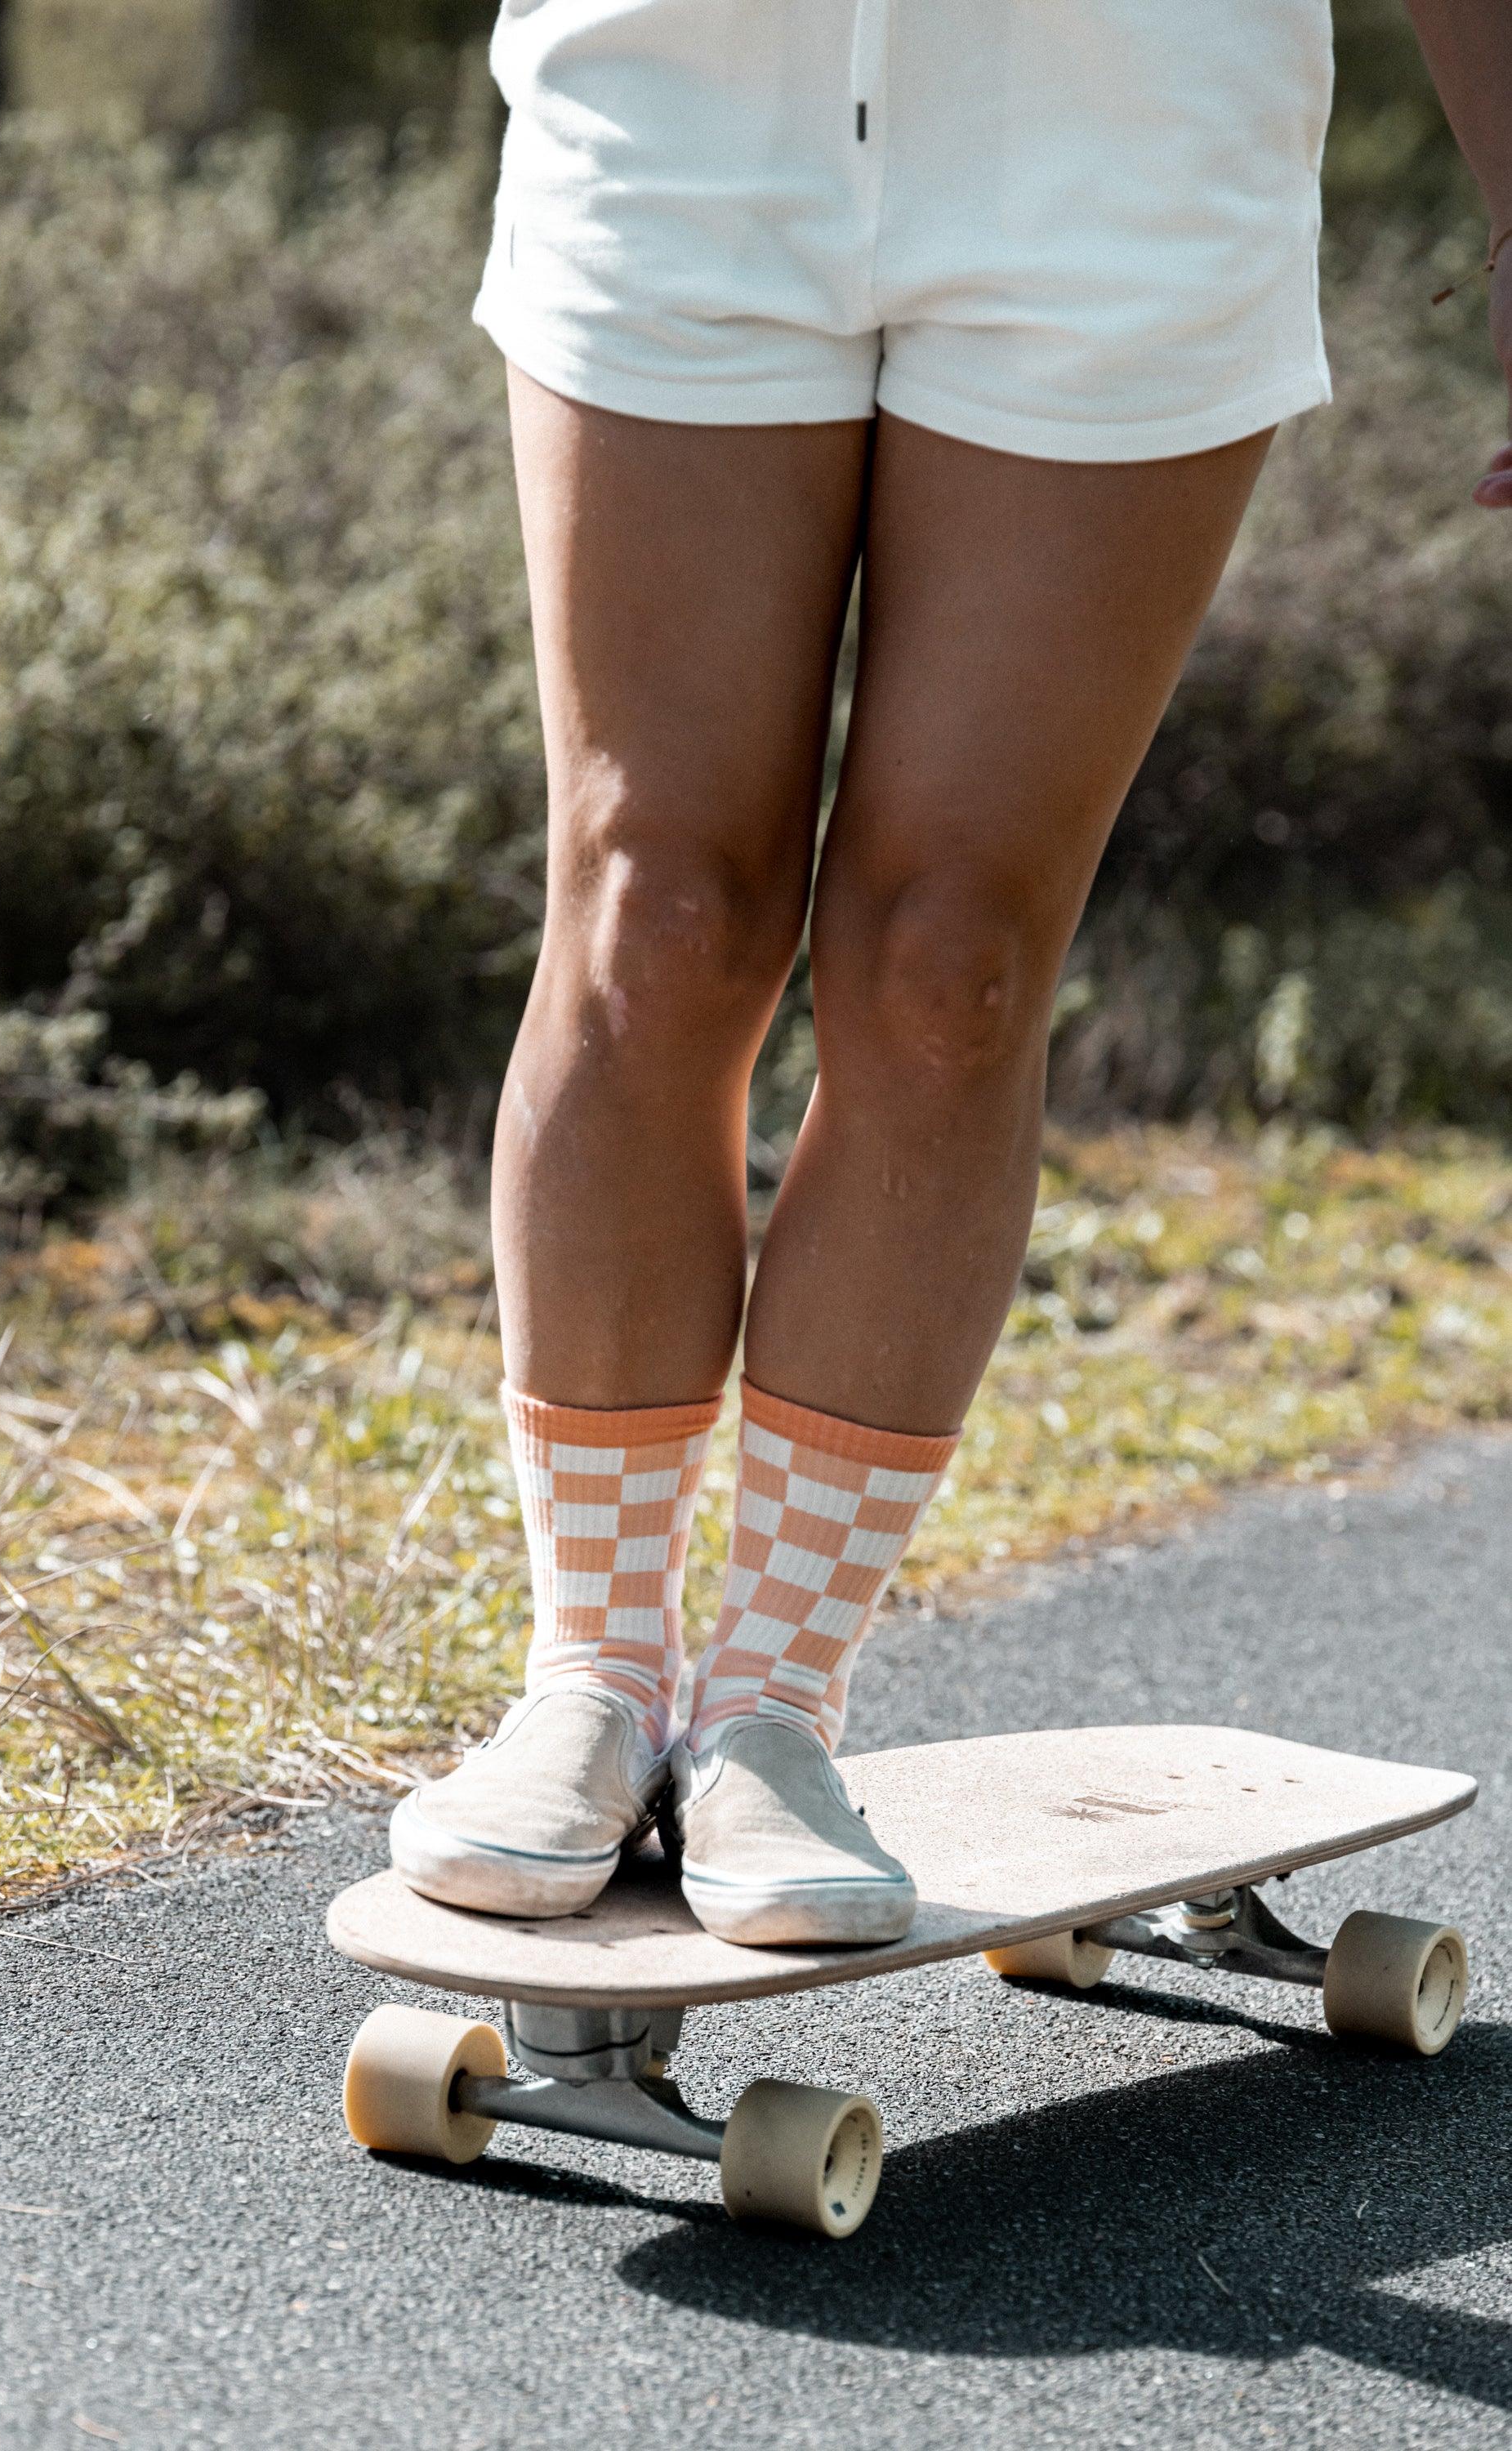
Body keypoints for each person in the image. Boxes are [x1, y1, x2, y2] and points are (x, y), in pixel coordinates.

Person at [390, 0, 1512, 1947]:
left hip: (1134, 136)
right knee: (657, 908)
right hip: (684, 101)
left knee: (952, 958)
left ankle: (769, 1704)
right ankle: (596, 1675)